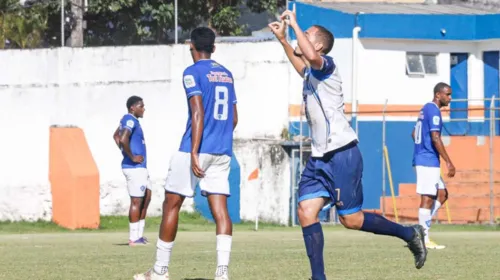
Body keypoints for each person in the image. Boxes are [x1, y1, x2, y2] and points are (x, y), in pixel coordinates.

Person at [268, 7, 428, 280]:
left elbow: (308, 57)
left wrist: (294, 24)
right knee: (306, 211)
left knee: (350, 220)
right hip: (319, 158)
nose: (301, 37)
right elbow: (301, 65)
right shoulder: (311, 73)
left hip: (342, 153)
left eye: (306, 35)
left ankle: (408, 233)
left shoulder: (328, 66)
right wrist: (284, 40)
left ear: (318, 45)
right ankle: (318, 277)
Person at [134, 27, 238, 280]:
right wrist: (218, 139)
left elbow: (198, 112)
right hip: (222, 150)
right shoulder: (226, 74)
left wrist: (194, 151)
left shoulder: (191, 72)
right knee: (221, 210)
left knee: (172, 204)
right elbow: (234, 118)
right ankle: (222, 273)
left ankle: (159, 271)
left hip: (195, 148)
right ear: (213, 48)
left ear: (191, 46)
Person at [412, 82, 455, 250]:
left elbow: (414, 133)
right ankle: (423, 237)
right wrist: (448, 161)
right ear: (438, 95)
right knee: (427, 198)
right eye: (447, 95)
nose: (450, 98)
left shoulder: (425, 109)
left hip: (425, 158)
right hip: (427, 161)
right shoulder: (434, 110)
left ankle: (423, 229)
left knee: (442, 194)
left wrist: (421, 147)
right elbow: (435, 137)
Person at [113, 95, 152, 246]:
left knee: (147, 196)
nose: (143, 109)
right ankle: (133, 238)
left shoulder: (132, 121)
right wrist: (131, 156)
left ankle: (139, 235)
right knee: (137, 201)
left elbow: (116, 136)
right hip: (134, 167)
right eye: (141, 106)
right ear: (132, 108)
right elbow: (122, 138)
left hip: (141, 167)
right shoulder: (129, 119)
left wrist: (125, 151)